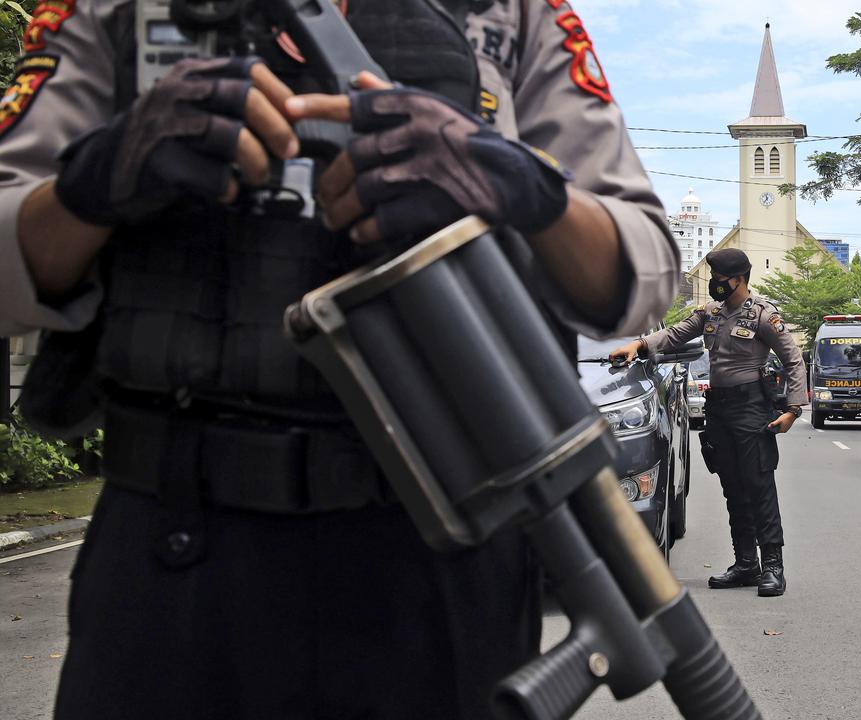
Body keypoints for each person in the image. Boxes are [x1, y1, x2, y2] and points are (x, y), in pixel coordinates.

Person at [0, 2, 678, 717]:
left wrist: (515, 186)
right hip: (174, 556)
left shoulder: (514, 13)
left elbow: (643, 271)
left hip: (441, 556)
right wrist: (99, 177)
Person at [609, 248, 807, 597]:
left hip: (752, 410)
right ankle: (746, 563)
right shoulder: (710, 313)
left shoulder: (763, 315)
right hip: (720, 411)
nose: (715, 285)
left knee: (758, 487)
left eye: (720, 280)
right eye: (713, 279)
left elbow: (793, 359)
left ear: (739, 279)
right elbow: (672, 335)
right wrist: (638, 344)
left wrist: (793, 409)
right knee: (732, 488)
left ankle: (773, 566)